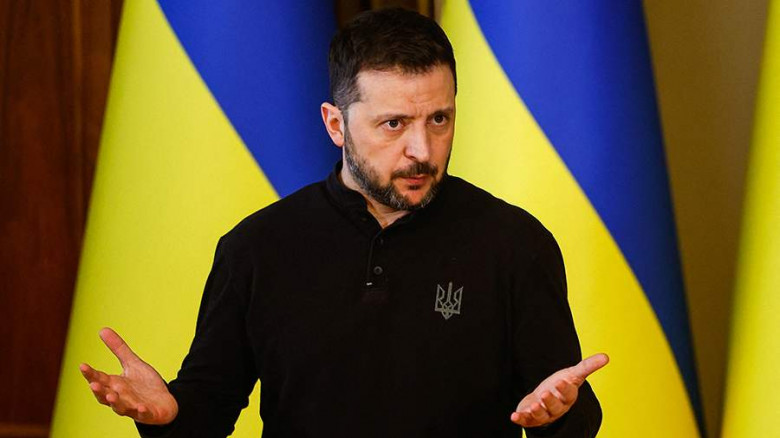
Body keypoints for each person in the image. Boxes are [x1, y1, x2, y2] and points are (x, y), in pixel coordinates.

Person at [80, 7, 608, 437]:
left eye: (439, 119)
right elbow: (208, 407)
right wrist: (169, 416)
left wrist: (559, 416)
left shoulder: (516, 244)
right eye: (393, 124)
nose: (422, 150)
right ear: (336, 124)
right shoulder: (257, 247)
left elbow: (566, 406)